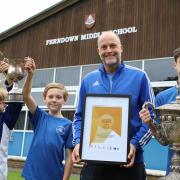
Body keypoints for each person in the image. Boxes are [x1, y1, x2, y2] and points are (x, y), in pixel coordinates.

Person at [72, 31, 155, 180]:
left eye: (113, 45)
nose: (108, 50)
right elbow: (79, 118)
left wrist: (135, 144)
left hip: (130, 163)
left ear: (121, 48)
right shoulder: (88, 80)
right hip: (94, 163)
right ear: (98, 51)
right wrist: (78, 142)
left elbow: (152, 118)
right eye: (104, 47)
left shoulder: (140, 77)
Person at [21, 58, 74, 180]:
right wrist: (30, 75)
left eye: (58, 97)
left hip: (54, 176)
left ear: (64, 100)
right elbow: (26, 95)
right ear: (45, 98)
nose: (54, 99)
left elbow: (70, 157)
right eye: (50, 96)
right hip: (32, 175)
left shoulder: (68, 125)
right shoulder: (40, 117)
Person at [139, 47, 180, 142]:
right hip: (174, 156)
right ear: (175, 65)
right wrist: (149, 123)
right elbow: (162, 140)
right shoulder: (162, 98)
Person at [0, 61, 23, 180]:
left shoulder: (5, 119)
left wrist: (9, 79)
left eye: (2, 101)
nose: (2, 103)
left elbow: (15, 103)